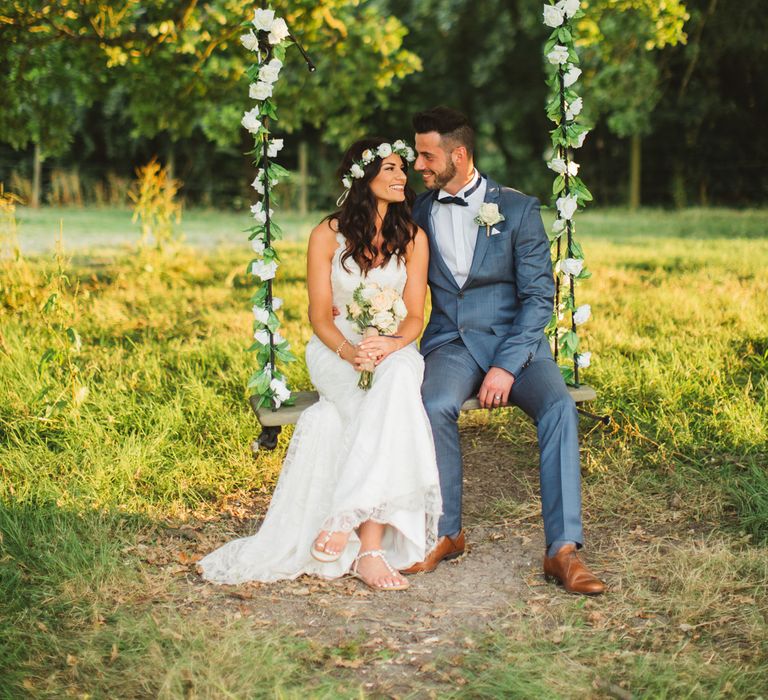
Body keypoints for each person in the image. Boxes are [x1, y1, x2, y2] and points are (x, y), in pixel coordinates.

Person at [198, 138, 442, 591]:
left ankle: (348, 523)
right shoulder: (326, 235)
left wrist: (386, 347)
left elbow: (413, 316)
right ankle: (370, 551)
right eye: (389, 169)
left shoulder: (413, 238)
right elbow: (318, 315)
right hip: (337, 350)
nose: (401, 177)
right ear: (362, 177)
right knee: (382, 403)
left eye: (402, 169)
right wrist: (353, 352)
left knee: (400, 378)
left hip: (392, 347)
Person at [401, 107, 605, 596]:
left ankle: (562, 550)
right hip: (452, 342)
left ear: (459, 154)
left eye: (427, 155)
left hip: (520, 347)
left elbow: (539, 298)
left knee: (558, 408)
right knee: (433, 406)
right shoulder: (420, 212)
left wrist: (505, 367)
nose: (418, 165)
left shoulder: (516, 209)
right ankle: (447, 531)